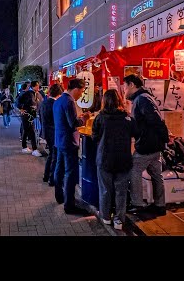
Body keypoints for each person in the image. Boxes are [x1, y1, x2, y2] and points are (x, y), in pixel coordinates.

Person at [92, 89, 138, 230]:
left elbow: (95, 137)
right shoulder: (127, 118)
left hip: (104, 159)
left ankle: (106, 217)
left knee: (105, 189)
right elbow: (136, 133)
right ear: (119, 100)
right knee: (121, 191)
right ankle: (119, 220)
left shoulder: (100, 118)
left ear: (104, 101)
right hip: (123, 159)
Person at [123, 74, 167, 216]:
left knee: (134, 171)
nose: (124, 91)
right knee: (156, 174)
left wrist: (163, 136)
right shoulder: (144, 98)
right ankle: (160, 205)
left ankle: (138, 204)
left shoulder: (142, 99)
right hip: (154, 144)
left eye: (125, 87)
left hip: (147, 144)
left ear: (131, 85)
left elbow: (155, 119)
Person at [53, 78, 91, 215]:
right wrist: (84, 118)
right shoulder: (69, 101)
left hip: (59, 141)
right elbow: (73, 123)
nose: (81, 94)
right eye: (81, 91)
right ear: (75, 89)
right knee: (70, 173)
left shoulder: (58, 101)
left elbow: (63, 120)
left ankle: (59, 195)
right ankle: (69, 205)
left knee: (59, 169)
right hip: (69, 142)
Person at [40, 83, 63, 186]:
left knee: (51, 155)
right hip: (53, 132)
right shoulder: (55, 104)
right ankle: (51, 178)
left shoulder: (44, 103)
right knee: (55, 156)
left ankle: (46, 176)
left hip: (46, 131)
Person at [19, 81, 42, 157]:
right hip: (26, 115)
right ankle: (33, 149)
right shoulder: (28, 93)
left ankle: (25, 147)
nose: (38, 87)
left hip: (31, 115)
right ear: (33, 86)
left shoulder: (36, 94)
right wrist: (21, 109)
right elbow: (18, 101)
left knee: (27, 131)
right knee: (30, 131)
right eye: (37, 86)